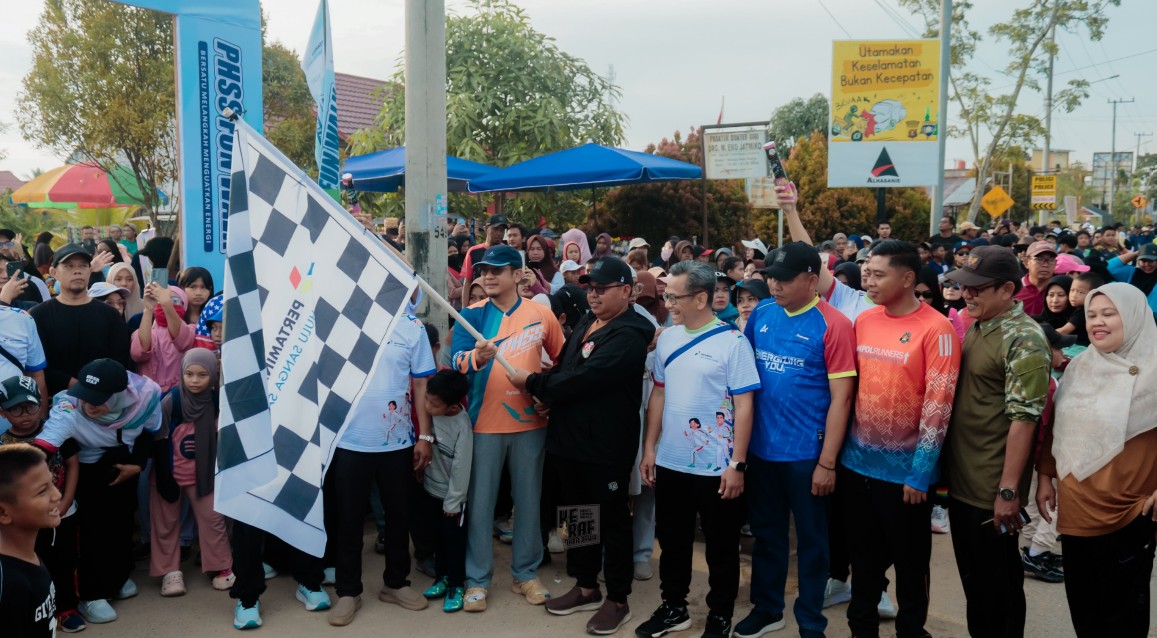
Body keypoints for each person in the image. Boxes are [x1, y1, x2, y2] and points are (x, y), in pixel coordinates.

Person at [509, 257, 656, 635]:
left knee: (613, 523)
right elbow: (566, 368)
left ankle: (618, 599)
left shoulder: (629, 335)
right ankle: (586, 586)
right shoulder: (589, 321)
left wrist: (534, 384)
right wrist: (549, 397)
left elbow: (589, 378)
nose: (593, 294)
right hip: (570, 442)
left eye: (602, 288)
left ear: (627, 291)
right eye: (590, 288)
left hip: (605, 448)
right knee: (578, 517)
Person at [839, 240, 961, 638]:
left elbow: (938, 406)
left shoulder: (937, 329)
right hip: (856, 468)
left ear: (907, 278)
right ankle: (861, 630)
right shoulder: (865, 320)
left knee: (911, 566)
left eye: (878, 274)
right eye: (867, 273)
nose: (868, 281)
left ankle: (911, 631)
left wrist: (920, 474)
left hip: (906, 478)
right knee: (863, 564)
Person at [739, 242, 856, 638]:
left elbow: (842, 399)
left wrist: (827, 462)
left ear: (811, 279)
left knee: (812, 543)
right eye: (771, 276)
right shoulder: (763, 314)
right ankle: (767, 609)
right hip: (761, 451)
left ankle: (810, 621)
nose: (774, 284)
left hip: (807, 455)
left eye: (784, 279)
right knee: (768, 536)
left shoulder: (834, 324)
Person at [636, 260, 758, 638]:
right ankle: (674, 607)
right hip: (672, 461)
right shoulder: (668, 338)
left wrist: (737, 464)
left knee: (721, 546)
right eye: (667, 296)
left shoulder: (733, 343)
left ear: (701, 298)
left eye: (674, 297)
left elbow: (745, 406)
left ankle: (720, 614)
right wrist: (650, 448)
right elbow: (658, 394)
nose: (668, 303)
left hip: (717, 465)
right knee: (673, 541)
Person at [941, 246, 1051, 638]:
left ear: (1006, 289)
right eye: (963, 286)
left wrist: (1007, 492)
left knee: (998, 590)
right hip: (964, 482)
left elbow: (1025, 420)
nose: (966, 294)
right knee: (977, 588)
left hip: (991, 491)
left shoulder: (1024, 338)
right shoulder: (979, 324)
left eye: (977, 288)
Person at [1037, 283, 1157, 637]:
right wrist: (1045, 477)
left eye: (1109, 314)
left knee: (1123, 617)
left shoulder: (1154, 369)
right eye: (1091, 315)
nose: (1097, 322)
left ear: (1134, 317)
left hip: (1130, 511)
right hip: (1076, 507)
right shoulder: (1080, 368)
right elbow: (1058, 429)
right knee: (1085, 611)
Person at [452, 245, 564, 613]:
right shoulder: (471, 315)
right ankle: (477, 579)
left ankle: (525, 573)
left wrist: (548, 395)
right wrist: (476, 357)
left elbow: (563, 362)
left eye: (497, 270)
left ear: (517, 275)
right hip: (484, 425)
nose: (488, 276)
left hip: (532, 424)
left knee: (528, 501)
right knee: (481, 504)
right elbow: (455, 361)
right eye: (484, 270)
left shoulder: (541, 314)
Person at [33, 359, 163, 625]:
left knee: (122, 523)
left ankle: (117, 578)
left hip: (125, 464)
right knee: (93, 531)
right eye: (86, 395)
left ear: (119, 395)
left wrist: (136, 465)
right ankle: (91, 594)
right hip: (88, 470)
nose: (90, 404)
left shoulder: (147, 394)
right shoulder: (68, 408)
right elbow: (41, 449)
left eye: (99, 398)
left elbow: (149, 432)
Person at [324, 312, 435, 626]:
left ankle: (396, 584)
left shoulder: (412, 327)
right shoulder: (343, 317)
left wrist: (425, 436)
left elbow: (421, 384)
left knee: (399, 516)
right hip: (348, 442)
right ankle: (348, 591)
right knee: (348, 520)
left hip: (397, 443)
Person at [0, 375, 84, 633]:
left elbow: (72, 464)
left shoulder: (58, 430)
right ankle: (41, 612)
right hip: (24, 521)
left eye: (30, 406)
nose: (25, 414)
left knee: (65, 560)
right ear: (2, 412)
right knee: (34, 561)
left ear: (42, 403)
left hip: (62, 513)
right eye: (16, 409)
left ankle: (67, 608)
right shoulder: (3, 446)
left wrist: (65, 501)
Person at [149, 349, 233, 597]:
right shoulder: (171, 401)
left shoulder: (216, 401)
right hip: (169, 475)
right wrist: (163, 476)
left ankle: (220, 567)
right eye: (189, 374)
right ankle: (170, 571)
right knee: (165, 524)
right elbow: (159, 439)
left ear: (213, 375)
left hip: (203, 476)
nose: (194, 380)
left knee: (213, 520)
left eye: (202, 375)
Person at [30, 244, 131, 398]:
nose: (77, 271)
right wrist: (74, 384)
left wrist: (93, 386)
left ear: (90, 271)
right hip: (55, 399)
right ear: (53, 272)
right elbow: (37, 365)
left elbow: (119, 359)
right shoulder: (39, 315)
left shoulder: (110, 315)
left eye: (83, 266)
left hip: (102, 397)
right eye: (69, 266)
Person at [416, 370, 473, 613]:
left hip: (452, 501)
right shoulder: (434, 415)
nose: (427, 407)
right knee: (437, 540)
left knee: (454, 543)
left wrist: (454, 501)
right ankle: (442, 578)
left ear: (452, 407)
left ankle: (457, 585)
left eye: (434, 404)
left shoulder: (462, 427)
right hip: (432, 491)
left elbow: (461, 468)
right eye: (427, 400)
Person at [0, 443, 62, 638]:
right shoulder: (9, 584)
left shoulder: (29, 553)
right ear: (3, 512)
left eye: (52, 483)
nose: (57, 495)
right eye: (42, 491)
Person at [131, 283, 195, 392]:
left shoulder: (191, 329)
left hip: (177, 395)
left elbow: (182, 342)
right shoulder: (143, 332)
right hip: (148, 395)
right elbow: (139, 354)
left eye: (175, 300)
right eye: (160, 299)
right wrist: (148, 309)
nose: (168, 303)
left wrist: (167, 304)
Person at [1106, 242, 1157, 313]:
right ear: (1138, 261)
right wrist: (1137, 253)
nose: (1147, 264)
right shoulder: (1132, 272)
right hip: (1131, 315)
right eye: (1143, 260)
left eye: (1151, 261)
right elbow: (1110, 266)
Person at [1015, 241, 1057, 316]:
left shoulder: (1061, 290)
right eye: (1039, 259)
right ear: (1026, 262)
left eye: (1051, 260)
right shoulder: (1014, 289)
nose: (1045, 265)